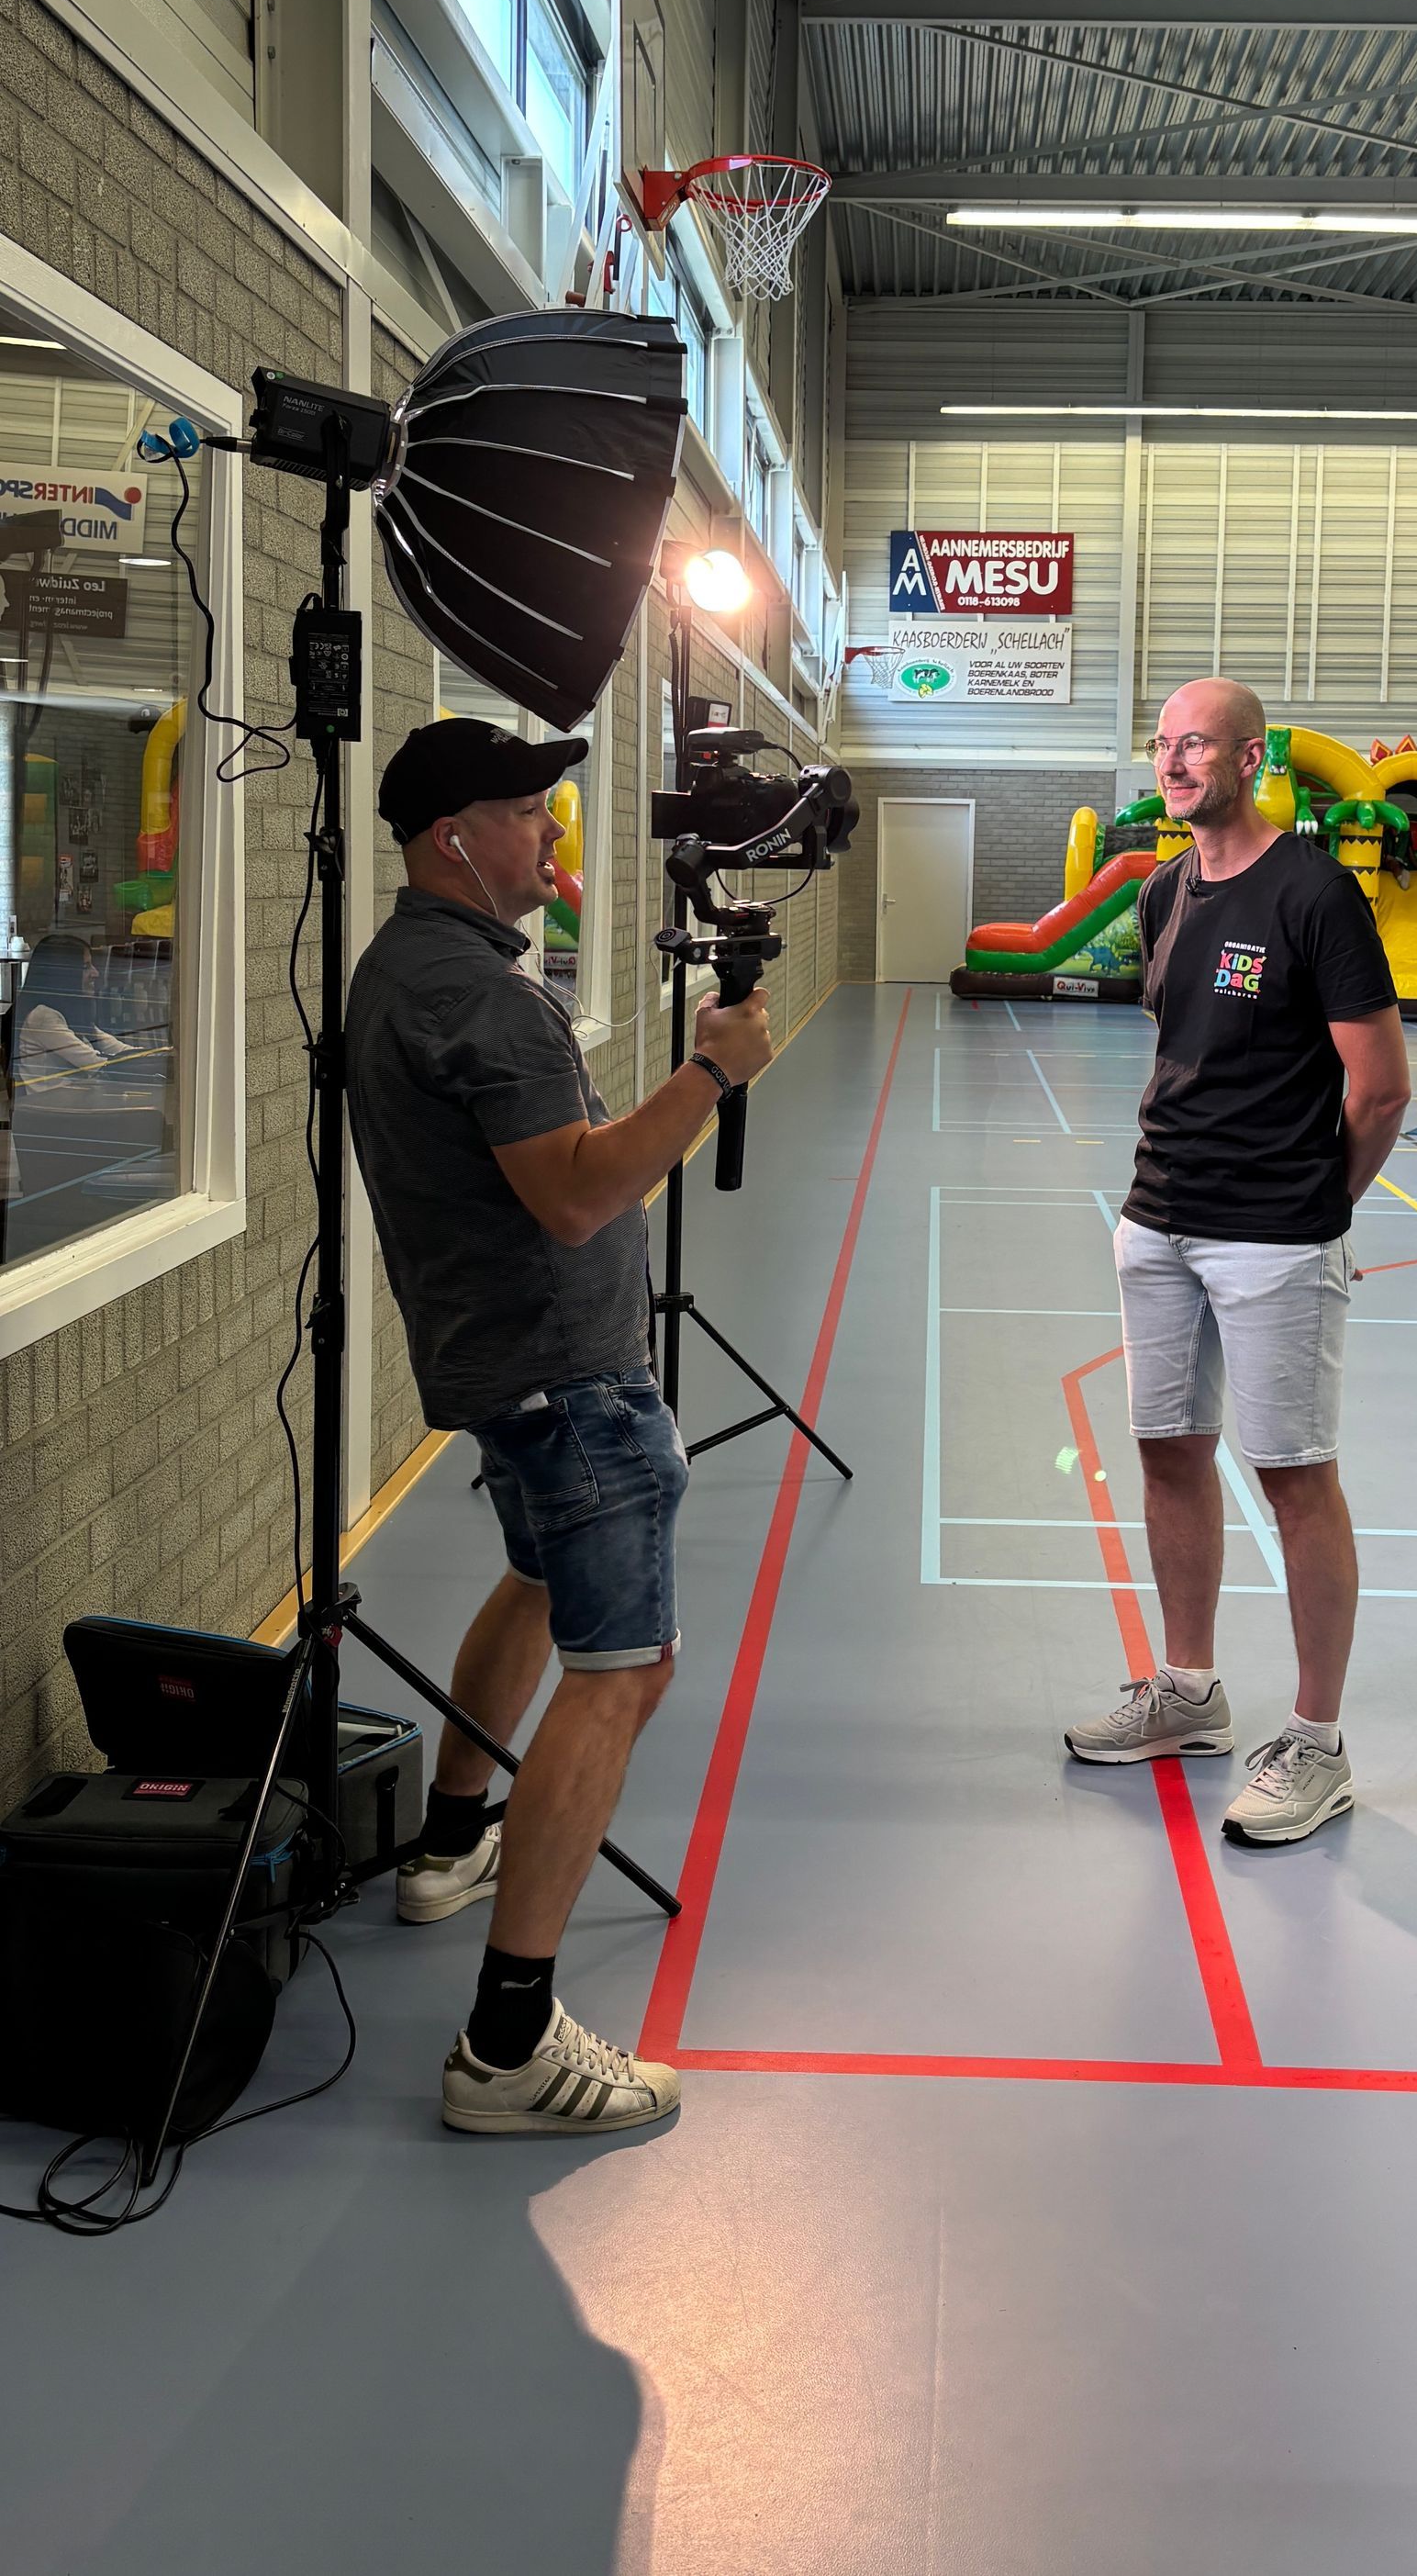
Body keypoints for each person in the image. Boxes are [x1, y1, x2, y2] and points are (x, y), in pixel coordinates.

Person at [346, 718, 772, 2134]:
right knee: (622, 1672)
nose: (552, 831)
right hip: (569, 1382)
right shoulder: (482, 998)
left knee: (534, 1580)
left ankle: (450, 1840)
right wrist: (711, 1074)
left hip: (505, 1367)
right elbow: (581, 1193)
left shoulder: (403, 965)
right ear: (454, 836)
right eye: (527, 810)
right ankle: (509, 2043)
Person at [1065, 681, 1411, 1847]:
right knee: (1169, 1452)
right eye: (1163, 744)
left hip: (1275, 1236)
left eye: (1195, 744)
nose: (1173, 762)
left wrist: (1317, 1207)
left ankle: (1317, 1743)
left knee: (1293, 1475)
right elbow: (1184, 1049)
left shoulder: (1314, 891)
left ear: (1251, 757)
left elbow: (1381, 1087)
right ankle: (1189, 1692)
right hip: (1158, 1217)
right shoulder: (1164, 889)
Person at [14, 935, 128, 1081]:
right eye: (86, 967)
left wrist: (152, 1055)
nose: (96, 973)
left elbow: (116, 1048)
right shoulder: (43, 1017)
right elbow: (96, 1063)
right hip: (58, 1095)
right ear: (62, 974)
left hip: (80, 1091)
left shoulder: (68, 1011)